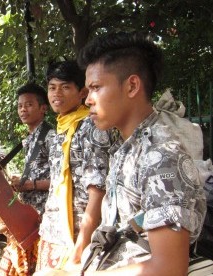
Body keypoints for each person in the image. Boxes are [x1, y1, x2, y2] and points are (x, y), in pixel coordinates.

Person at [39, 32, 207, 275]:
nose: (88, 101)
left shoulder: (161, 158)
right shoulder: (126, 149)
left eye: (96, 88)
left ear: (131, 86)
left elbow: (169, 268)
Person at [35, 60, 114, 273]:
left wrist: (82, 245)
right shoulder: (60, 128)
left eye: (65, 87)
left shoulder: (91, 127)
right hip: (54, 232)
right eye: (52, 88)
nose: (56, 93)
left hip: (77, 236)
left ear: (82, 93)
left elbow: (97, 190)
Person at [0, 83, 55, 275]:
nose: (23, 109)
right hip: (31, 216)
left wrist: (31, 185)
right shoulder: (30, 138)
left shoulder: (51, 137)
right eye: (20, 105)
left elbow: (63, 181)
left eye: (29, 104)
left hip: (45, 218)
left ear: (43, 108)